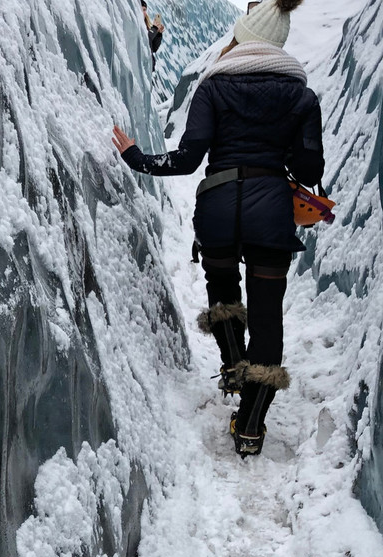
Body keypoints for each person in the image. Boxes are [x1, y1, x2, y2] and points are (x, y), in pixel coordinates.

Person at [112, 0, 323, 457]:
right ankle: (249, 427)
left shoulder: (214, 86)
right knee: (267, 316)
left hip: (218, 208)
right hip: (270, 215)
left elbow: (188, 158)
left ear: (244, 35)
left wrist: (137, 158)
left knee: (222, 285)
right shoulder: (302, 98)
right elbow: (308, 168)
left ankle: (232, 364)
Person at [142, 1, 165, 71]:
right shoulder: (138, 26)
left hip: (148, 68)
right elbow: (145, 41)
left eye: (145, 10)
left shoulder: (145, 25)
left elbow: (154, 48)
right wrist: (154, 29)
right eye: (142, 9)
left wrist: (158, 34)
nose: (144, 12)